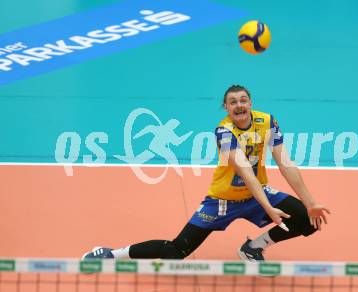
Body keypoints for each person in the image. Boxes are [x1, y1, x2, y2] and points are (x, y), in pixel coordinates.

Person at [82, 85, 330, 261]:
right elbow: (246, 173)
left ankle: (253, 248)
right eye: (233, 102)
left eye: (243, 100)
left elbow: (285, 163)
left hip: (258, 195)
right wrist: (268, 207)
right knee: (176, 251)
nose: (239, 105)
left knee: (309, 220)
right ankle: (112, 254)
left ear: (251, 103)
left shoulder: (268, 122)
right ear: (226, 107)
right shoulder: (224, 132)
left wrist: (311, 203)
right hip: (223, 201)